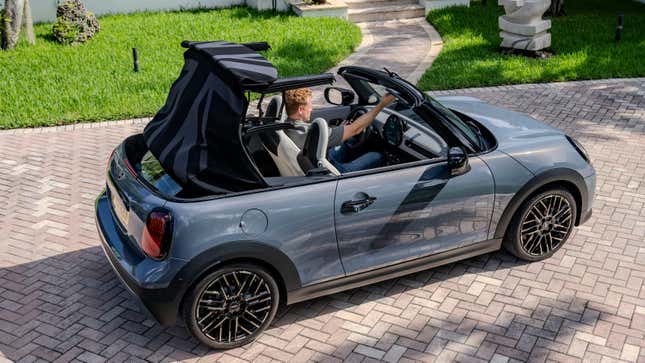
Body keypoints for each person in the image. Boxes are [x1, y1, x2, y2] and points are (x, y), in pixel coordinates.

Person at [283, 88, 396, 173]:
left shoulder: (287, 126)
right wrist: (381, 105)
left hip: (318, 161)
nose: (312, 108)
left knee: (347, 143)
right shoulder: (309, 133)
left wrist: (340, 130)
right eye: (310, 104)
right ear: (301, 109)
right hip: (333, 171)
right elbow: (356, 129)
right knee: (377, 156)